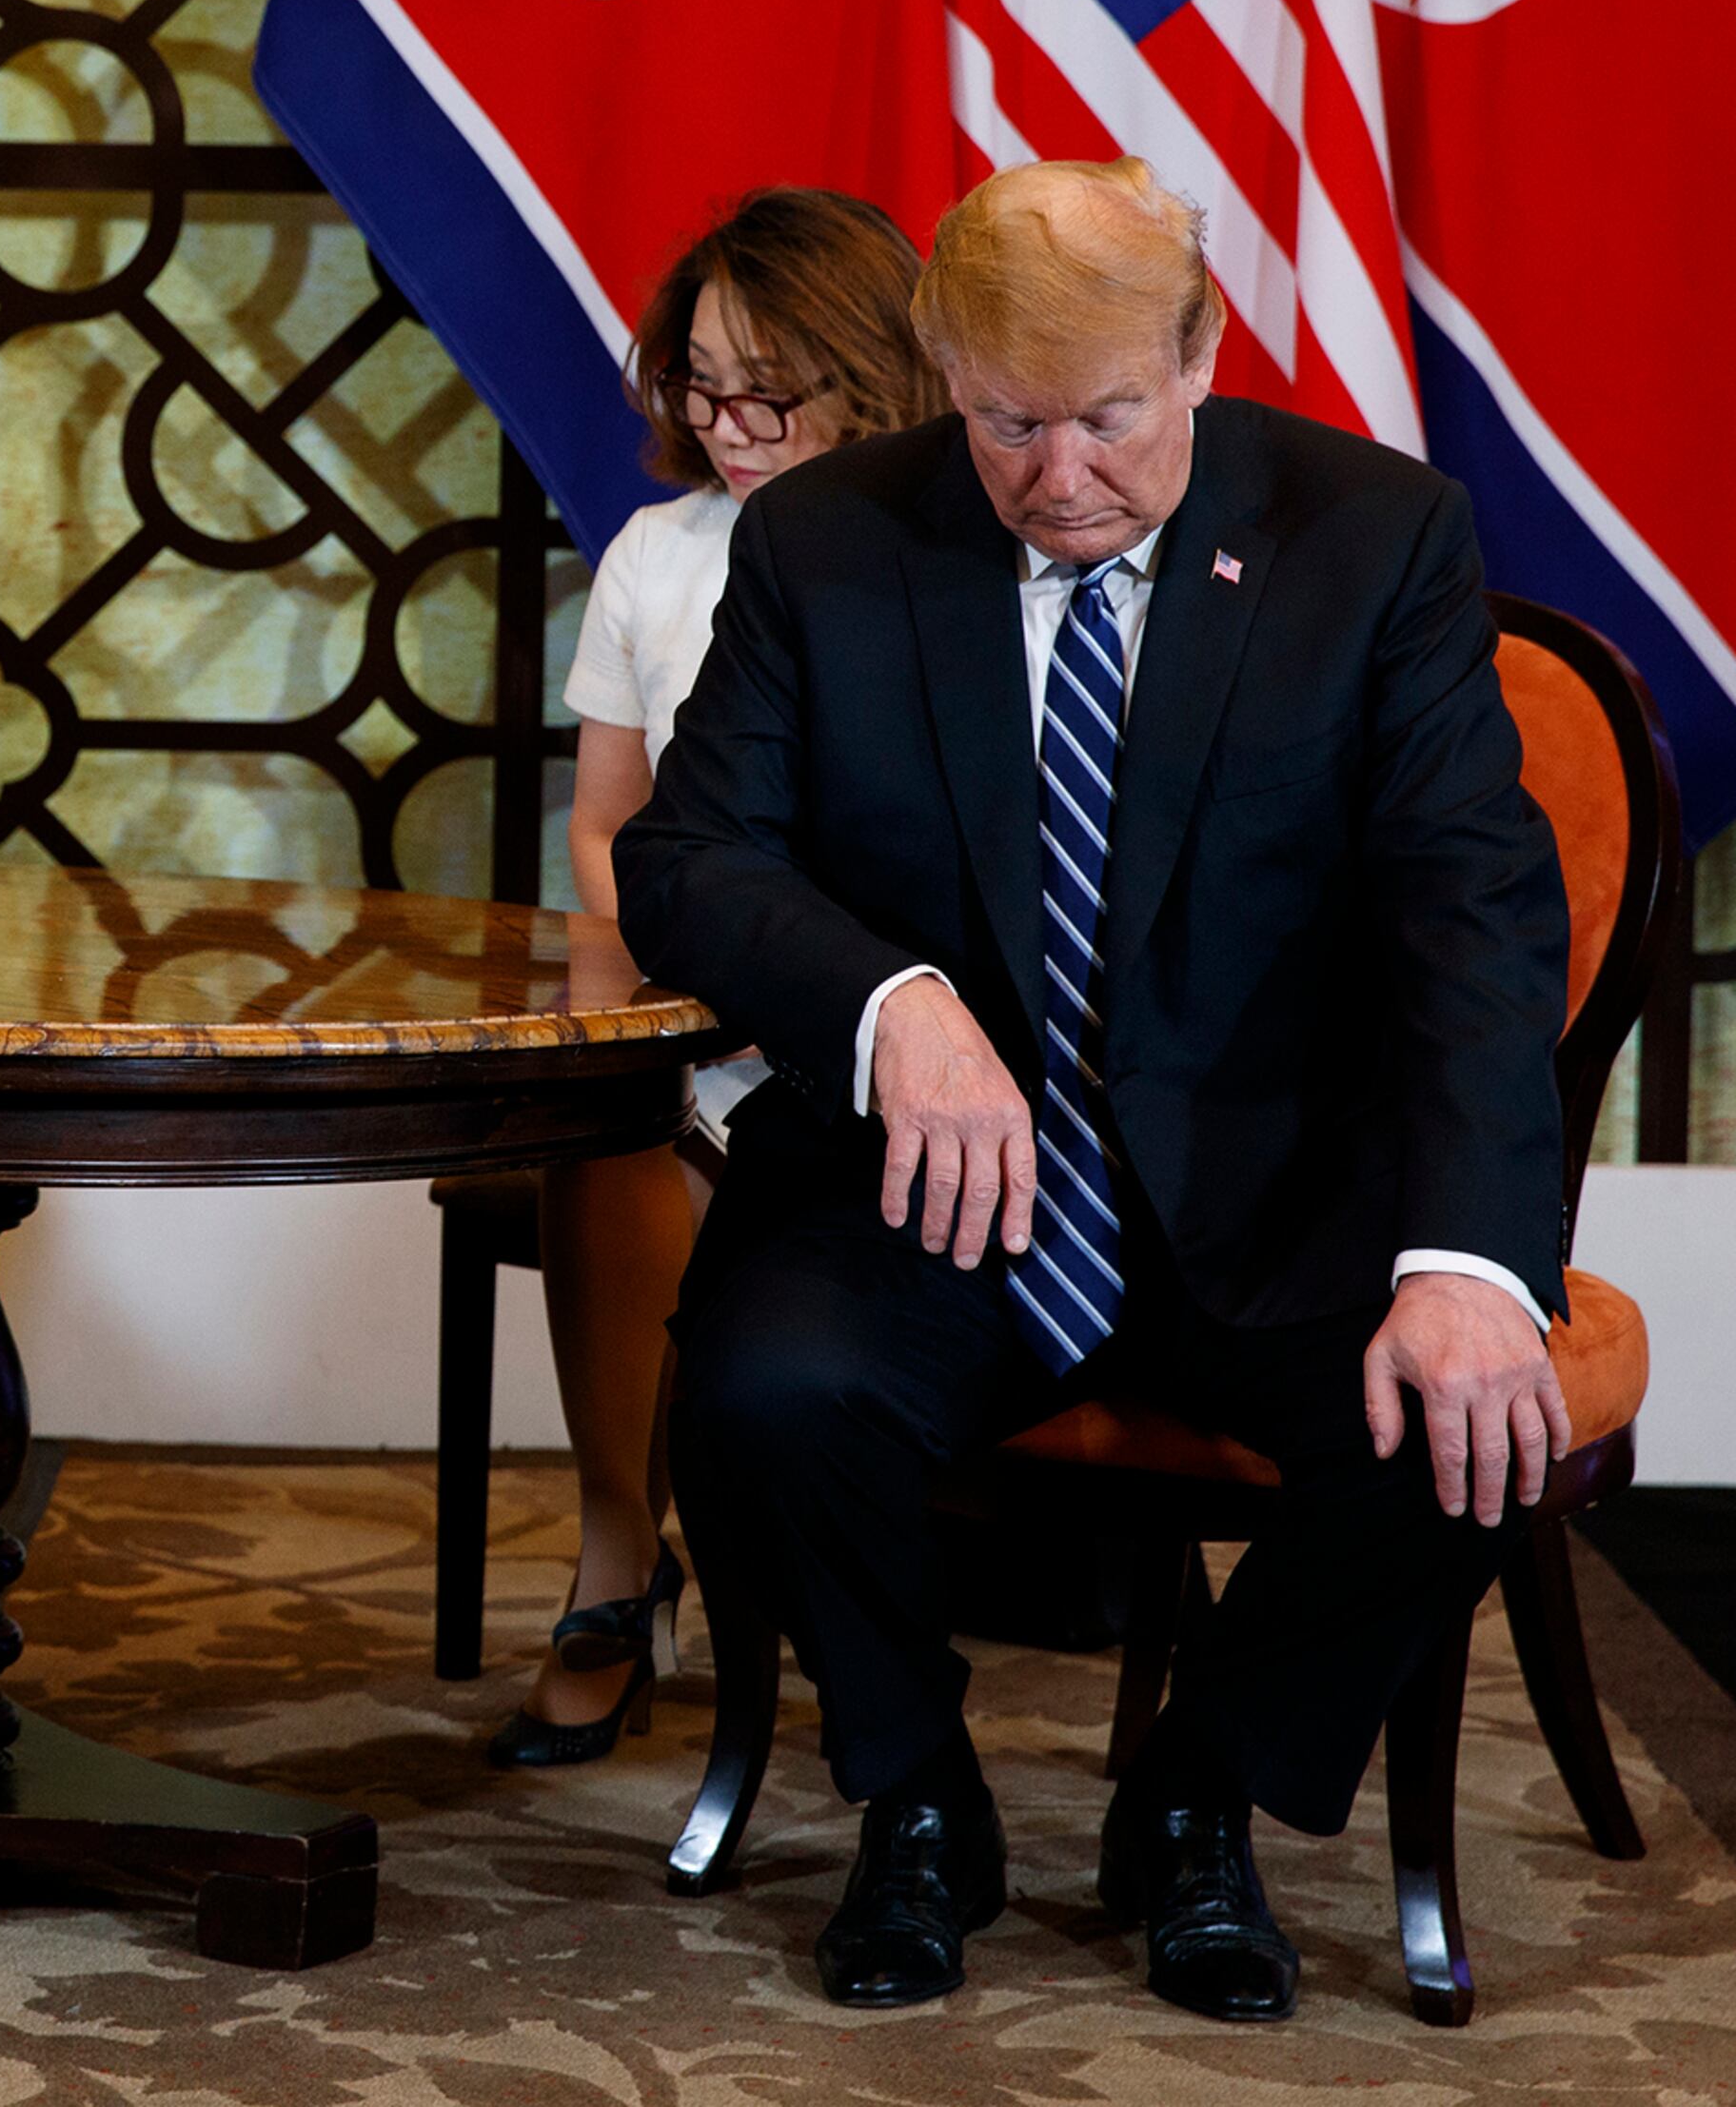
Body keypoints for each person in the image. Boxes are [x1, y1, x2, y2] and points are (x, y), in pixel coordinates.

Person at [617, 157, 1569, 2022]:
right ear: (942, 373)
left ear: (1202, 355)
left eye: (1111, 419)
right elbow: (691, 855)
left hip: (1271, 1186)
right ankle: (920, 1798)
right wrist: (890, 999)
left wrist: (1469, 1252)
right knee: (761, 1382)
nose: (1063, 477)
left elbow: (1475, 913)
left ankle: (1201, 1793)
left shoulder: (1374, 539)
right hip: (929, 1186)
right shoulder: (830, 537)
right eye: (1008, 424)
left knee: (1460, 1431)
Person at [493, 188, 944, 1767]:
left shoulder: (952, 547)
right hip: (700, 1005)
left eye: (773, 389)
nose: (730, 423)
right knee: (602, 1125)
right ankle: (620, 1560)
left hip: (899, 1022)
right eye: (701, 384)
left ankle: (848, 1597)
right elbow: (608, 834)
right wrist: (698, 981)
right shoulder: (657, 557)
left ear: (873, 369)